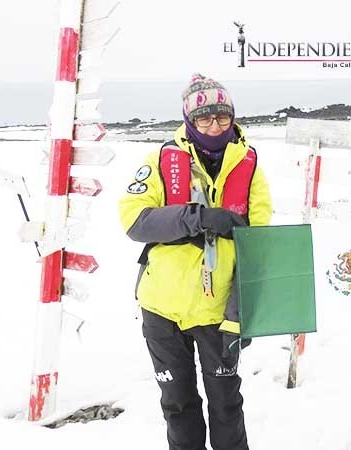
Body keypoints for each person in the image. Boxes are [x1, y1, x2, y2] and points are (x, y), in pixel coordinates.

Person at [119, 74, 271, 450]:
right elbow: (134, 220)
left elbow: (260, 248)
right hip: (161, 309)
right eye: (204, 118)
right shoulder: (160, 159)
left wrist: (239, 317)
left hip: (219, 314)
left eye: (222, 117)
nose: (214, 125)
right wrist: (197, 217)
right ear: (189, 120)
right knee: (178, 405)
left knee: (226, 406)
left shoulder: (250, 167)